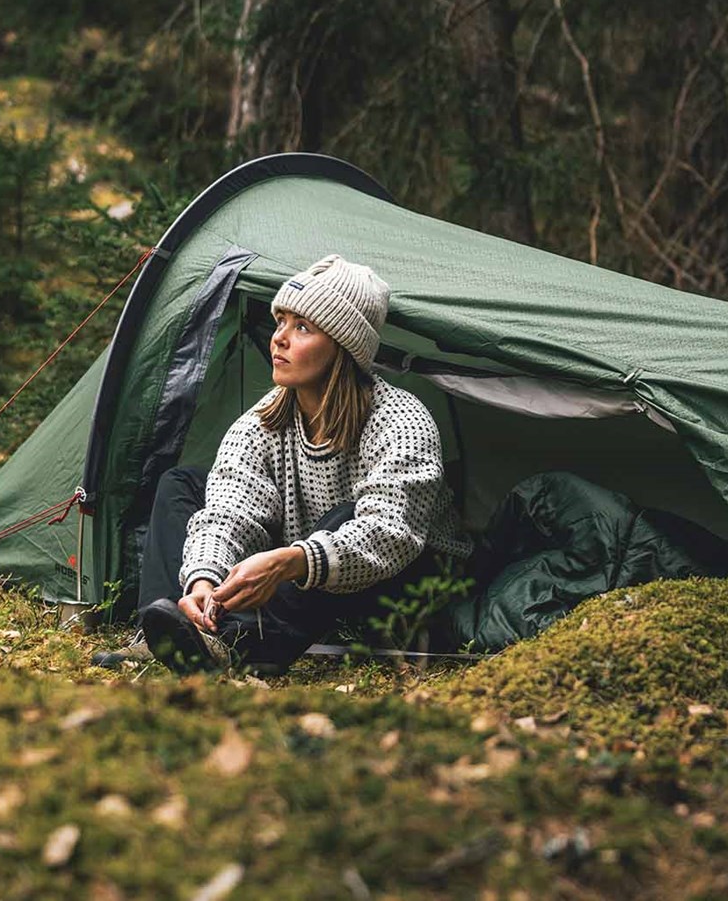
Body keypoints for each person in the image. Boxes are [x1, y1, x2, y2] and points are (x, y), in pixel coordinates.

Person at [92, 253, 475, 674]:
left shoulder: (401, 420)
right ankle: (174, 628)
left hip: (411, 581)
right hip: (312, 577)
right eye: (281, 322)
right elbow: (230, 509)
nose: (279, 338)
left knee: (346, 517)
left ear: (343, 346)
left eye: (303, 327)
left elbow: (389, 536)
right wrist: (203, 576)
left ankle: (236, 646)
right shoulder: (264, 421)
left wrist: (288, 560)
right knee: (182, 483)